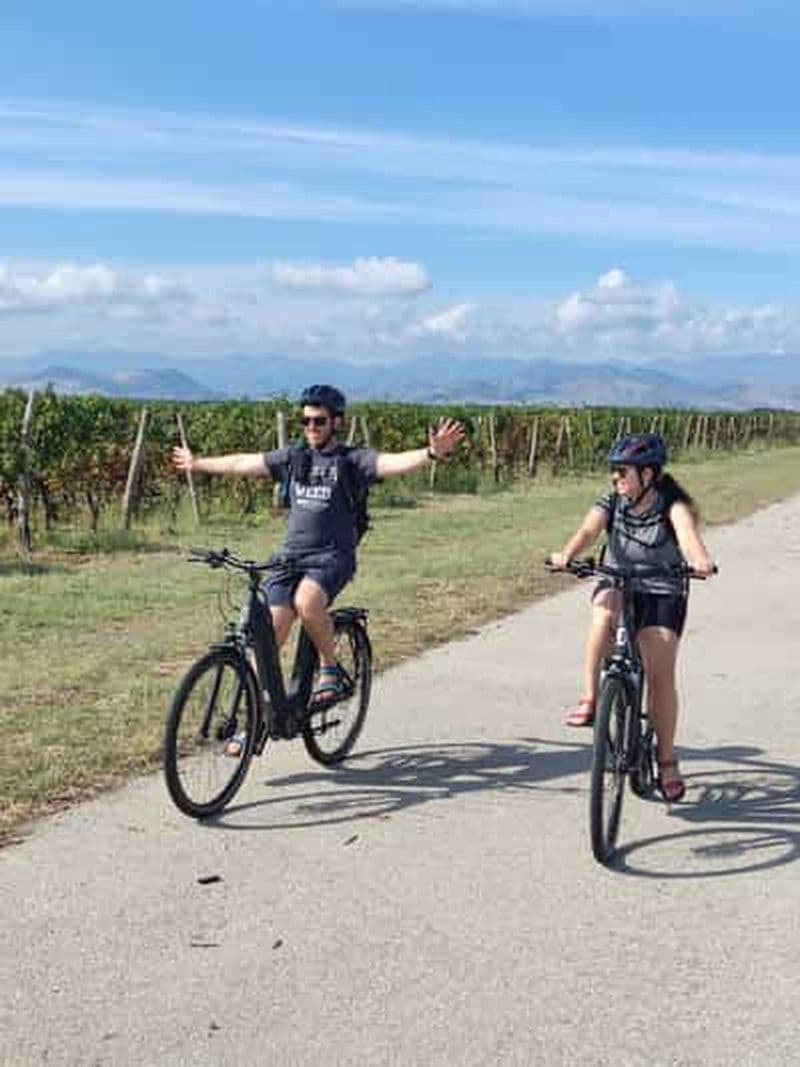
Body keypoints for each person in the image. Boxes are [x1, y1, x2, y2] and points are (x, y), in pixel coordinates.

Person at [172, 384, 465, 706]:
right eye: (306, 421)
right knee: (269, 636)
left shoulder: (352, 460)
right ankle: (256, 718)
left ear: (336, 422)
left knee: (308, 603)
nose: (311, 427)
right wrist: (198, 463)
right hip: (289, 558)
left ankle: (330, 668)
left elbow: (390, 463)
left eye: (319, 421)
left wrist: (431, 453)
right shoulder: (293, 457)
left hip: (331, 558)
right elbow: (244, 462)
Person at [548, 432, 715, 802]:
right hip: (619, 579)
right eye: (614, 471)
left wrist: (699, 560)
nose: (616, 478)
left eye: (623, 471)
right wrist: (567, 554)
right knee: (604, 610)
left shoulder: (672, 504)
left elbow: (687, 537)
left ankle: (667, 759)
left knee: (660, 671)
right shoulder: (611, 502)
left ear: (649, 475)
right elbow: (589, 530)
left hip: (662, 588)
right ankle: (592, 698)